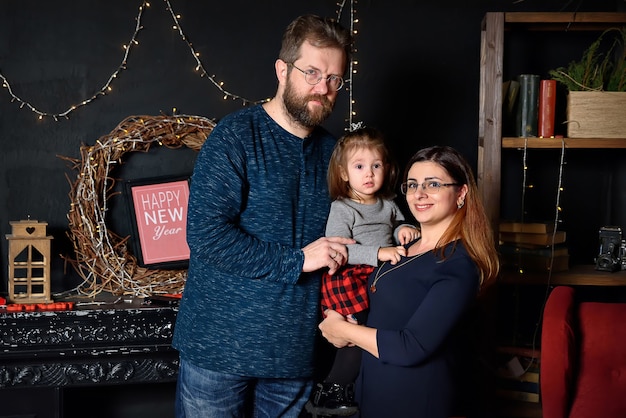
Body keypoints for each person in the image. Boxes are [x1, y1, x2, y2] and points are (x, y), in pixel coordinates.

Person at [172, 14, 354, 418]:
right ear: (282, 69)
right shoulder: (234, 137)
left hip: (295, 356)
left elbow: (363, 223)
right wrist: (298, 260)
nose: (322, 88)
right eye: (312, 72)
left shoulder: (338, 155)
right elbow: (206, 236)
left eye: (335, 79)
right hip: (218, 350)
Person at [318, 145, 500, 418]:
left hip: (414, 399)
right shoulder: (404, 247)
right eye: (412, 185)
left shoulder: (459, 265)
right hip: (372, 393)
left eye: (434, 184)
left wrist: (342, 330)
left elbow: (411, 346)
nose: (419, 194)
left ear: (461, 193)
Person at [305, 126, 419, 417]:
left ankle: (346, 388)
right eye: (359, 166)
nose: (368, 174)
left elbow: (397, 227)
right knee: (358, 334)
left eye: (376, 166)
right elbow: (338, 250)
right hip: (347, 277)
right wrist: (379, 253)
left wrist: (405, 229)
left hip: (374, 278)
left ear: (387, 169)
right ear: (344, 173)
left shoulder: (388, 204)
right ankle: (330, 390)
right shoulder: (343, 208)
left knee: (373, 333)